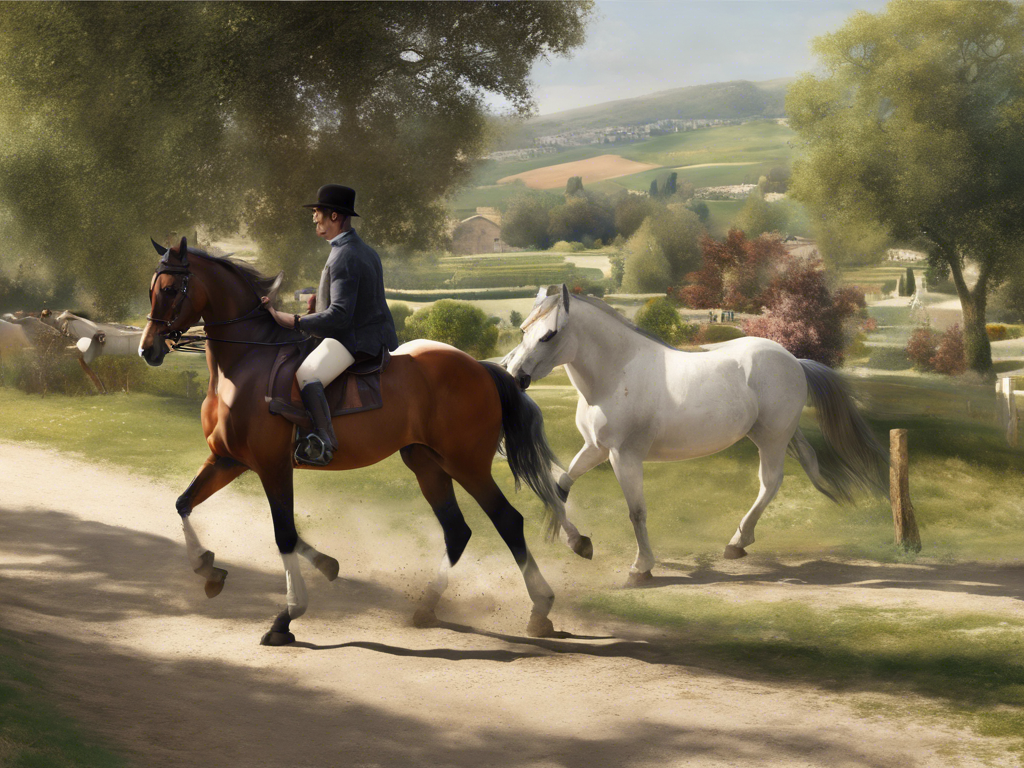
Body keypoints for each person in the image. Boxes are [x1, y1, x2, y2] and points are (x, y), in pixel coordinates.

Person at [263, 184, 398, 465]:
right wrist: (319, 303)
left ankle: (323, 443)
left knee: (307, 374)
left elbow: (340, 316)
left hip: (356, 339)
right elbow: (354, 300)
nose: (314, 218)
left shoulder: (345, 255)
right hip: (370, 331)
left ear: (334, 216)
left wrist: (294, 320)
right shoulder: (358, 249)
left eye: (317, 212)